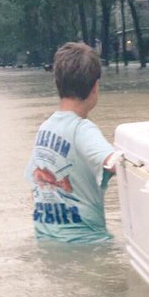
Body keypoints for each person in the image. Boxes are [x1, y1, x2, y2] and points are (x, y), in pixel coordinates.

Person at [26, 41, 119, 244]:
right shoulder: (83, 130)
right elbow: (114, 163)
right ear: (95, 87)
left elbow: (34, 184)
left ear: (57, 84)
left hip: (45, 240)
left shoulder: (44, 129)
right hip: (88, 243)